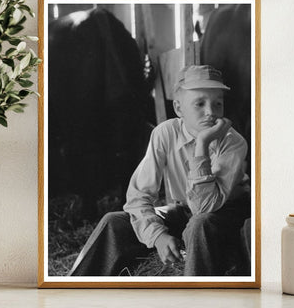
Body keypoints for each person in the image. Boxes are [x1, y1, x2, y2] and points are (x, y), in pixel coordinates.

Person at [69, 64, 250, 276]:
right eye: (199, 103)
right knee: (113, 221)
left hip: (226, 215)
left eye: (217, 104)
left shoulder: (233, 142)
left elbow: (204, 207)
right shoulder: (164, 133)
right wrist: (158, 236)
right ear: (179, 109)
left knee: (198, 224)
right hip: (184, 211)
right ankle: (73, 289)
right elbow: (138, 195)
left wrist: (202, 144)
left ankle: (196, 300)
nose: (210, 112)